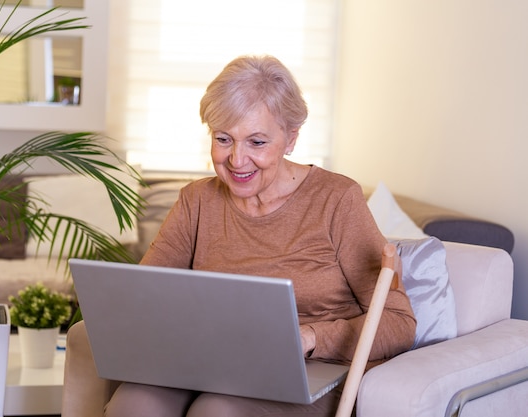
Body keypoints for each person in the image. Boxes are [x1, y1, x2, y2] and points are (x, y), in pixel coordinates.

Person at [104, 55, 416, 417]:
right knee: (134, 405)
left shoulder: (337, 199)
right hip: (213, 361)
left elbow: (399, 323)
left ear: (291, 138)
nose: (237, 160)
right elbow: (144, 295)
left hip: (310, 369)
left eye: (256, 142)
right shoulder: (197, 200)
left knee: (217, 411)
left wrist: (310, 338)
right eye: (224, 139)